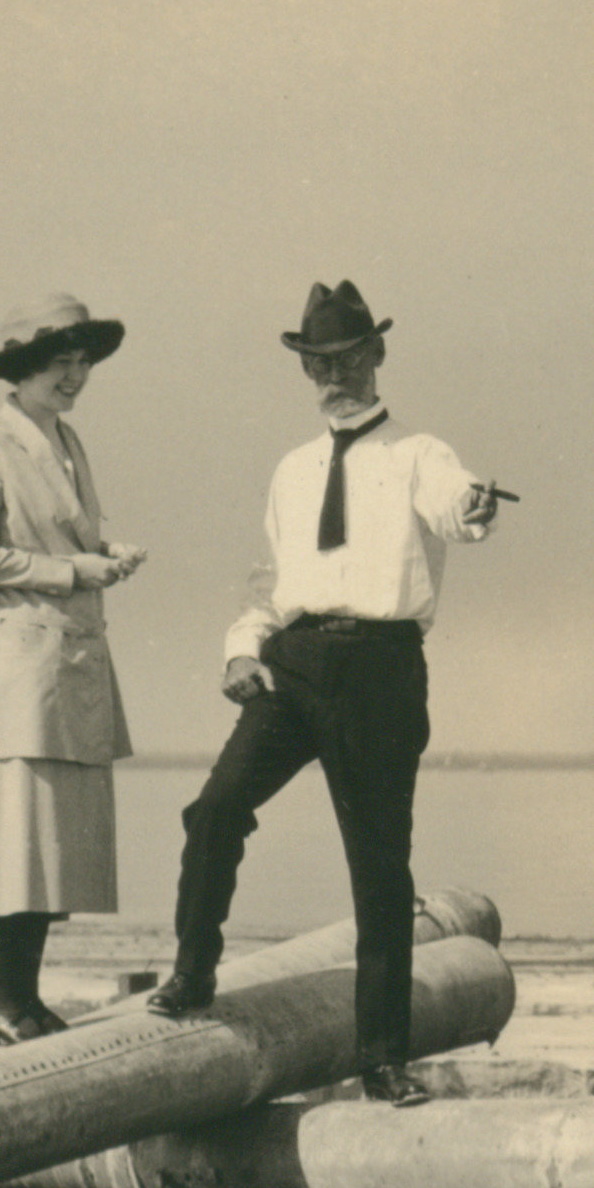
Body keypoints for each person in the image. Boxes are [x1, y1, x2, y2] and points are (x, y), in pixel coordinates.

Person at [151, 278, 503, 1101]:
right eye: (317, 364)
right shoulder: (292, 469)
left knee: (378, 867)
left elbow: (459, 510)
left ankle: (383, 1057)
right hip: (293, 661)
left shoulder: (422, 453)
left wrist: (477, 505)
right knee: (212, 810)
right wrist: (242, 650)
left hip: (381, 670)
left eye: (346, 359)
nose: (333, 377)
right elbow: (269, 582)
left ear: (377, 356)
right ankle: (191, 975)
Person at [0, 293, 147, 1043]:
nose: (75, 374)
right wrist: (70, 571)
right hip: (21, 662)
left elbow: (66, 537)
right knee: (13, 834)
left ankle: (19, 999)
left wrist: (106, 553)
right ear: (23, 367)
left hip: (67, 661)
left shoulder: (65, 439)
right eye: (59, 361)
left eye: (83, 360)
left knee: (46, 842)